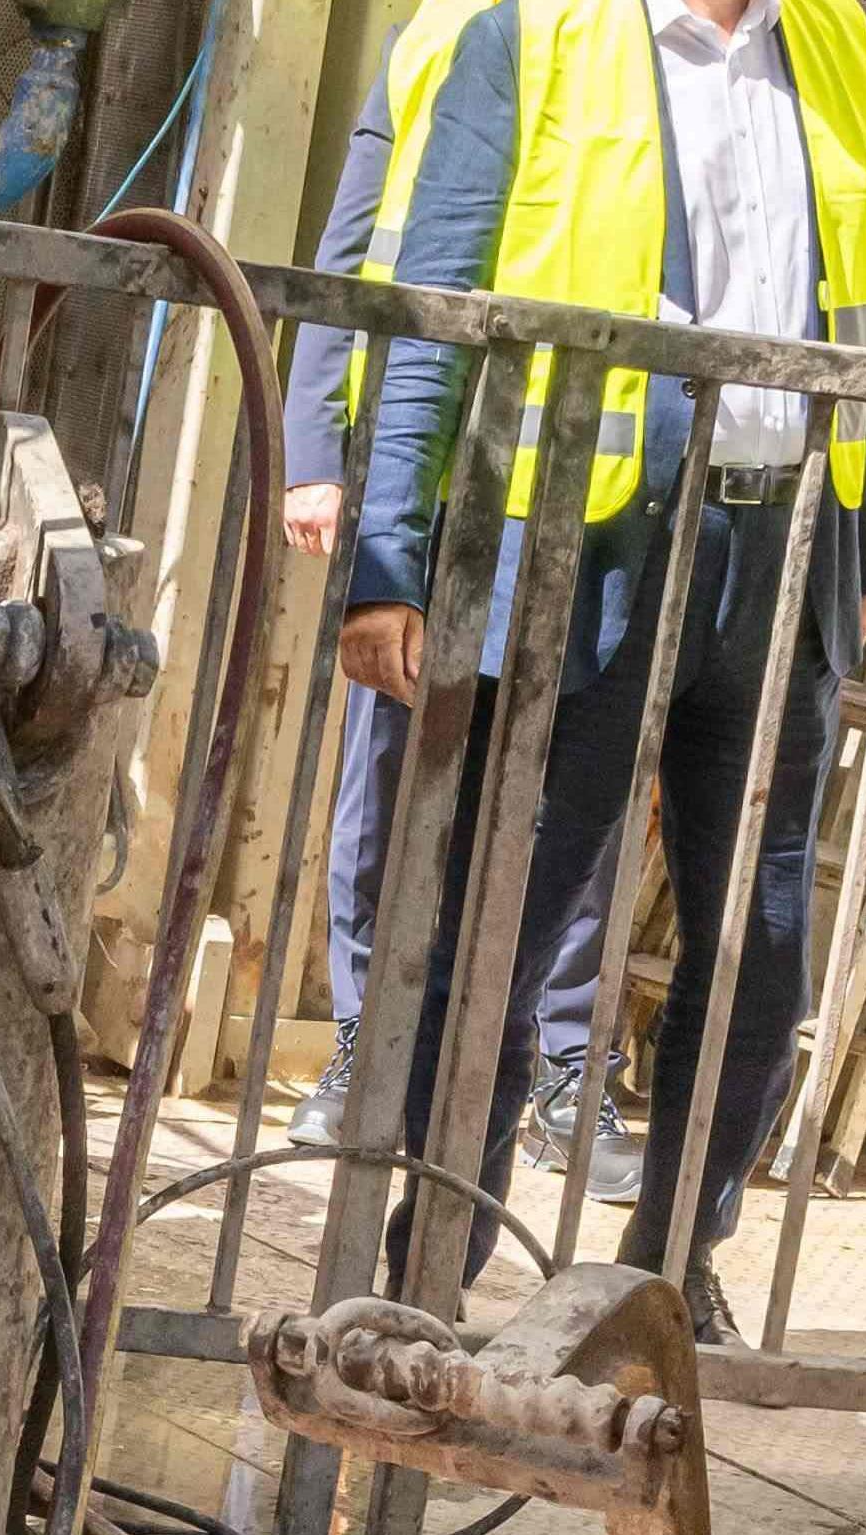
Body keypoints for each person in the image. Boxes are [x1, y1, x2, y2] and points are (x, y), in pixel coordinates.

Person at [339, 0, 866, 1318]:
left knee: (762, 944)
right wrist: (389, 556)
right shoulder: (534, 31)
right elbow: (435, 297)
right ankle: (433, 1264)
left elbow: (857, 305)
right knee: (503, 933)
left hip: (781, 547)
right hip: (584, 551)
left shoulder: (836, 40)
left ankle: (665, 1268)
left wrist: (860, 556)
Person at [278, 0, 595, 1161]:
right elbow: (351, 250)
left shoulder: (626, 43)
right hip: (425, 459)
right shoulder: (439, 30)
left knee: (573, 794)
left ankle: (560, 1062)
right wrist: (316, 454)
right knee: (390, 770)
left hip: (576, 474)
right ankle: (367, 1036)